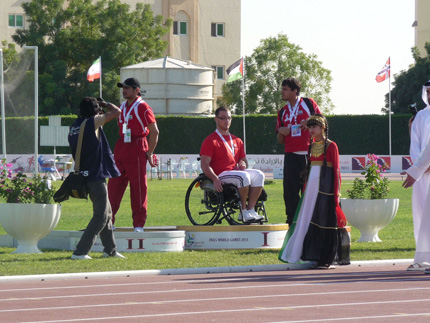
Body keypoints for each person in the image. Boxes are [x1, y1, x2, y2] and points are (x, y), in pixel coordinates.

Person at [278, 114, 350, 269]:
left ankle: (326, 258)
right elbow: (310, 169)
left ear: (322, 128)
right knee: (309, 218)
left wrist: (336, 193)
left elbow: (336, 170)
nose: (311, 129)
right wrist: (305, 190)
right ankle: (312, 255)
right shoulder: (310, 146)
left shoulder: (331, 146)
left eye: (314, 127)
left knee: (325, 219)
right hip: (311, 188)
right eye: (310, 127)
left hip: (325, 188)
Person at [69, 97, 124, 260]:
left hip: (84, 174)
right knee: (100, 216)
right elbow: (117, 112)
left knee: (107, 212)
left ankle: (110, 250)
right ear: (96, 112)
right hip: (95, 175)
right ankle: (80, 251)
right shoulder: (92, 122)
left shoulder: (74, 126)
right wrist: (105, 104)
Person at [108, 77, 159, 232]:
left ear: (137, 90)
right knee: (113, 186)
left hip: (137, 146)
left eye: (127, 88)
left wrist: (149, 152)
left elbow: (154, 131)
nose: (124, 90)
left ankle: (138, 224)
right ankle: (109, 221)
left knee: (138, 187)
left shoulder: (143, 107)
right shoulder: (121, 107)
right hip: (122, 146)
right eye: (123, 88)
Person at [200, 106, 265, 222]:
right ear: (216, 119)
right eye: (223, 118)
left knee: (259, 175)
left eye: (229, 118)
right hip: (221, 174)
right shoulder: (210, 140)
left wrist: (243, 163)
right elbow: (204, 164)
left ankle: (250, 210)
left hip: (235, 173)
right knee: (243, 177)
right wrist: (215, 179)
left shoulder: (237, 140)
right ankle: (243, 212)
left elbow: (244, 160)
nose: (227, 121)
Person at [276, 78, 322, 226]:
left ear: (295, 91)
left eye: (285, 89)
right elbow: (279, 140)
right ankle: (292, 222)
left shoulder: (308, 104)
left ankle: (312, 222)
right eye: (282, 89)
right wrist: (281, 132)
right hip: (290, 155)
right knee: (290, 192)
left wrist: (309, 122)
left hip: (309, 154)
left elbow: (322, 122)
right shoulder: (282, 111)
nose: (282, 92)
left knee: (309, 190)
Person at [403, 80, 430, 271]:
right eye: (428, 91)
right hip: (422, 174)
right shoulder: (421, 116)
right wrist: (419, 167)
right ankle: (423, 256)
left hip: (421, 170)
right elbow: (416, 144)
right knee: (422, 214)